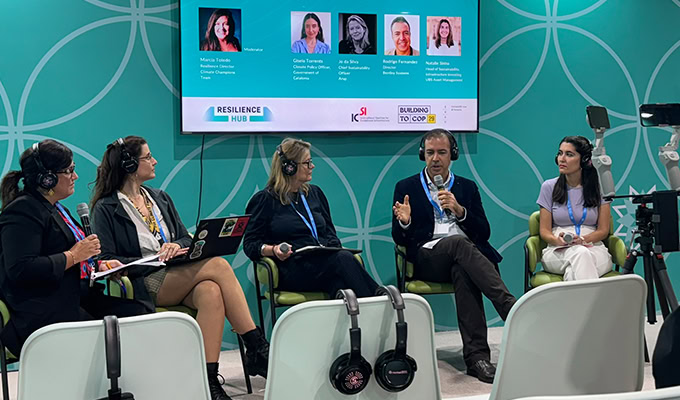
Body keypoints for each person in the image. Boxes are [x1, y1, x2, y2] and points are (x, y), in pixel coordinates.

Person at [91, 136, 267, 400]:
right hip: (144, 280)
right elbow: (106, 257)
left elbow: (186, 238)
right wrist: (150, 260)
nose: (154, 161)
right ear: (129, 165)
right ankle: (256, 347)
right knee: (218, 265)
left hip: (176, 273)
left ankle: (208, 380)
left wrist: (174, 245)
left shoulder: (160, 198)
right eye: (148, 157)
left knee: (210, 291)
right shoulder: (106, 207)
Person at [0, 140, 149, 357]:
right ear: (47, 177)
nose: (75, 176)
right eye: (69, 170)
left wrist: (100, 265)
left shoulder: (56, 208)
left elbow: (77, 257)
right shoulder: (22, 211)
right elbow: (21, 268)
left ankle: (127, 386)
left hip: (74, 297)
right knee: (100, 336)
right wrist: (73, 256)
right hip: (41, 307)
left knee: (140, 314)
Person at [392, 128, 515, 384]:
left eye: (441, 152)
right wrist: (405, 222)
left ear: (452, 155)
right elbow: (400, 239)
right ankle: (508, 306)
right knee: (458, 243)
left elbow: (483, 232)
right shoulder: (406, 188)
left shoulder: (466, 187)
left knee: (463, 267)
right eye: (430, 153)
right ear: (422, 155)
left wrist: (460, 210)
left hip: (463, 258)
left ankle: (477, 359)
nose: (435, 158)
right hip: (429, 257)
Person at [243, 138, 378, 299]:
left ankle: (359, 321)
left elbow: (330, 234)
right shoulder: (265, 200)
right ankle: (379, 300)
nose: (312, 166)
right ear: (289, 168)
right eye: (307, 163)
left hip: (324, 263)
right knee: (343, 260)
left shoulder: (315, 194)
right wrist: (274, 250)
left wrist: (333, 248)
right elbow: (250, 245)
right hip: (292, 268)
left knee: (340, 285)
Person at [537, 136, 612, 281]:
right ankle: (596, 304)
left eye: (569, 154)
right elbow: (544, 231)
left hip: (594, 247)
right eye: (560, 153)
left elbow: (603, 230)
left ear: (584, 160)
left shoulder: (600, 188)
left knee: (574, 270)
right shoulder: (548, 187)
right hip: (557, 250)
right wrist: (556, 240)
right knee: (580, 254)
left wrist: (583, 239)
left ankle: (574, 304)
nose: (562, 159)